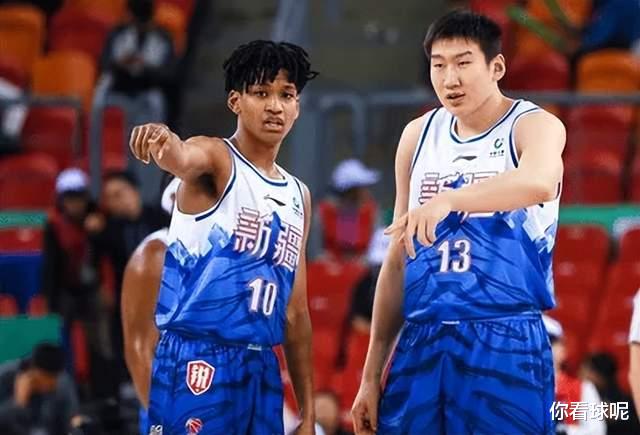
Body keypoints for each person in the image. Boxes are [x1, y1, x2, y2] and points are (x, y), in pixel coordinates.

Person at [351, 10, 565, 435]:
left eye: (463, 63)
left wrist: (451, 199)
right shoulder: (417, 135)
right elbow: (397, 257)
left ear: (496, 67)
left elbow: (539, 181)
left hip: (503, 336)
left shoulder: (534, 125)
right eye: (439, 65)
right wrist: (371, 375)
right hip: (423, 338)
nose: (450, 78)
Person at [129, 40, 318, 433]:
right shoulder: (217, 158)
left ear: (298, 106)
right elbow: (183, 156)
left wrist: (308, 410)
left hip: (261, 365)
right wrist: (164, 140)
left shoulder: (299, 195)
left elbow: (296, 313)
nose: (275, 106)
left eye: (286, 95)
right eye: (261, 93)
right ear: (235, 101)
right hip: (198, 357)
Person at [121, 177, 178, 434]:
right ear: (174, 198)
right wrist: (162, 423)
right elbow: (140, 352)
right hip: (176, 405)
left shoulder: (229, 251)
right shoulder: (155, 254)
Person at [543, 315, 605, 435]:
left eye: (549, 343)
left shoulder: (584, 388)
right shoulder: (517, 389)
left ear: (562, 350)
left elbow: (597, 431)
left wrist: (564, 430)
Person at [0, 343, 78, 435]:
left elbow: (71, 420)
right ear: (32, 371)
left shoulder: (62, 383)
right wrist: (19, 402)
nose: (53, 384)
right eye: (48, 378)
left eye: (55, 378)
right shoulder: (5, 377)